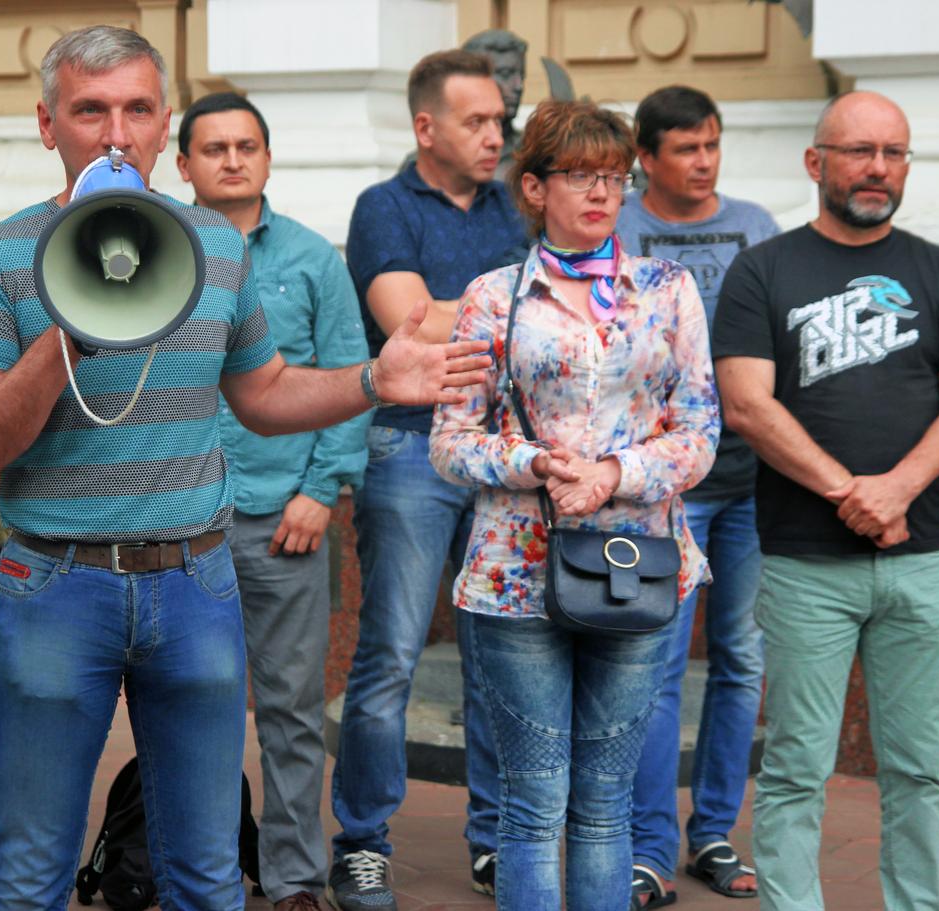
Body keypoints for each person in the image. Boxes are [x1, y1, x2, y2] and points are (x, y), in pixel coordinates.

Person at [0, 26, 490, 911]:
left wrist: (369, 381)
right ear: (48, 124)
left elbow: (264, 392)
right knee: (30, 873)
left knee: (205, 874)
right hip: (54, 583)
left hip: (196, 582)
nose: (116, 136)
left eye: (138, 111)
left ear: (165, 129)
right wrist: (68, 326)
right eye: (90, 111)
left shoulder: (219, 250)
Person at [429, 98, 721, 911]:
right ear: (533, 187)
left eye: (614, 176)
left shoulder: (668, 290)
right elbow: (451, 441)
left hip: (640, 566)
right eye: (580, 176)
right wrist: (532, 460)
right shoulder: (493, 296)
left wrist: (613, 474)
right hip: (514, 572)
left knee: (604, 808)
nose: (602, 192)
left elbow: (701, 432)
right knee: (531, 805)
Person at [711, 91, 939, 911]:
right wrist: (851, 492)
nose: (879, 168)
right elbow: (747, 404)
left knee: (918, 768)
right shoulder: (765, 270)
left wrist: (899, 489)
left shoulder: (938, 270)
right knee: (799, 767)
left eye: (894, 152)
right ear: (816, 162)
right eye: (861, 150)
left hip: (922, 561)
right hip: (806, 565)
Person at [327, 48, 527, 911]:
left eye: (500, 121)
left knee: (500, 662)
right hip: (408, 451)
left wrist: (475, 311)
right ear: (425, 127)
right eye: (478, 121)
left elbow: (485, 318)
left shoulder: (514, 207)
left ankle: (494, 842)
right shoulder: (383, 206)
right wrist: (518, 307)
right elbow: (407, 328)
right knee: (390, 659)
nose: (496, 135)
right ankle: (362, 843)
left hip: (503, 458)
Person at [176, 91, 371, 911]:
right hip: (182, 525)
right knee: (194, 708)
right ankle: (208, 872)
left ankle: (293, 878)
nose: (230, 159)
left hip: (285, 521)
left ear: (266, 156)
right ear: (182, 164)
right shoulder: (159, 253)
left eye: (245, 145)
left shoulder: (311, 259)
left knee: (290, 712)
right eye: (212, 147)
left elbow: (350, 377)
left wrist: (320, 492)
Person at [616, 85, 779, 907]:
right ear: (646, 156)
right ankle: (648, 843)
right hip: (662, 485)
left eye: (712, 144)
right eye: (685, 148)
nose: (704, 160)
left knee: (742, 660)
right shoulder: (620, 228)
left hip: (753, 480)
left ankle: (712, 829)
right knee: (657, 662)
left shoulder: (756, 223)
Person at [463, 29, 528, 179]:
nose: (519, 86)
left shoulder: (534, 154)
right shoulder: (433, 163)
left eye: (522, 76)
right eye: (506, 74)